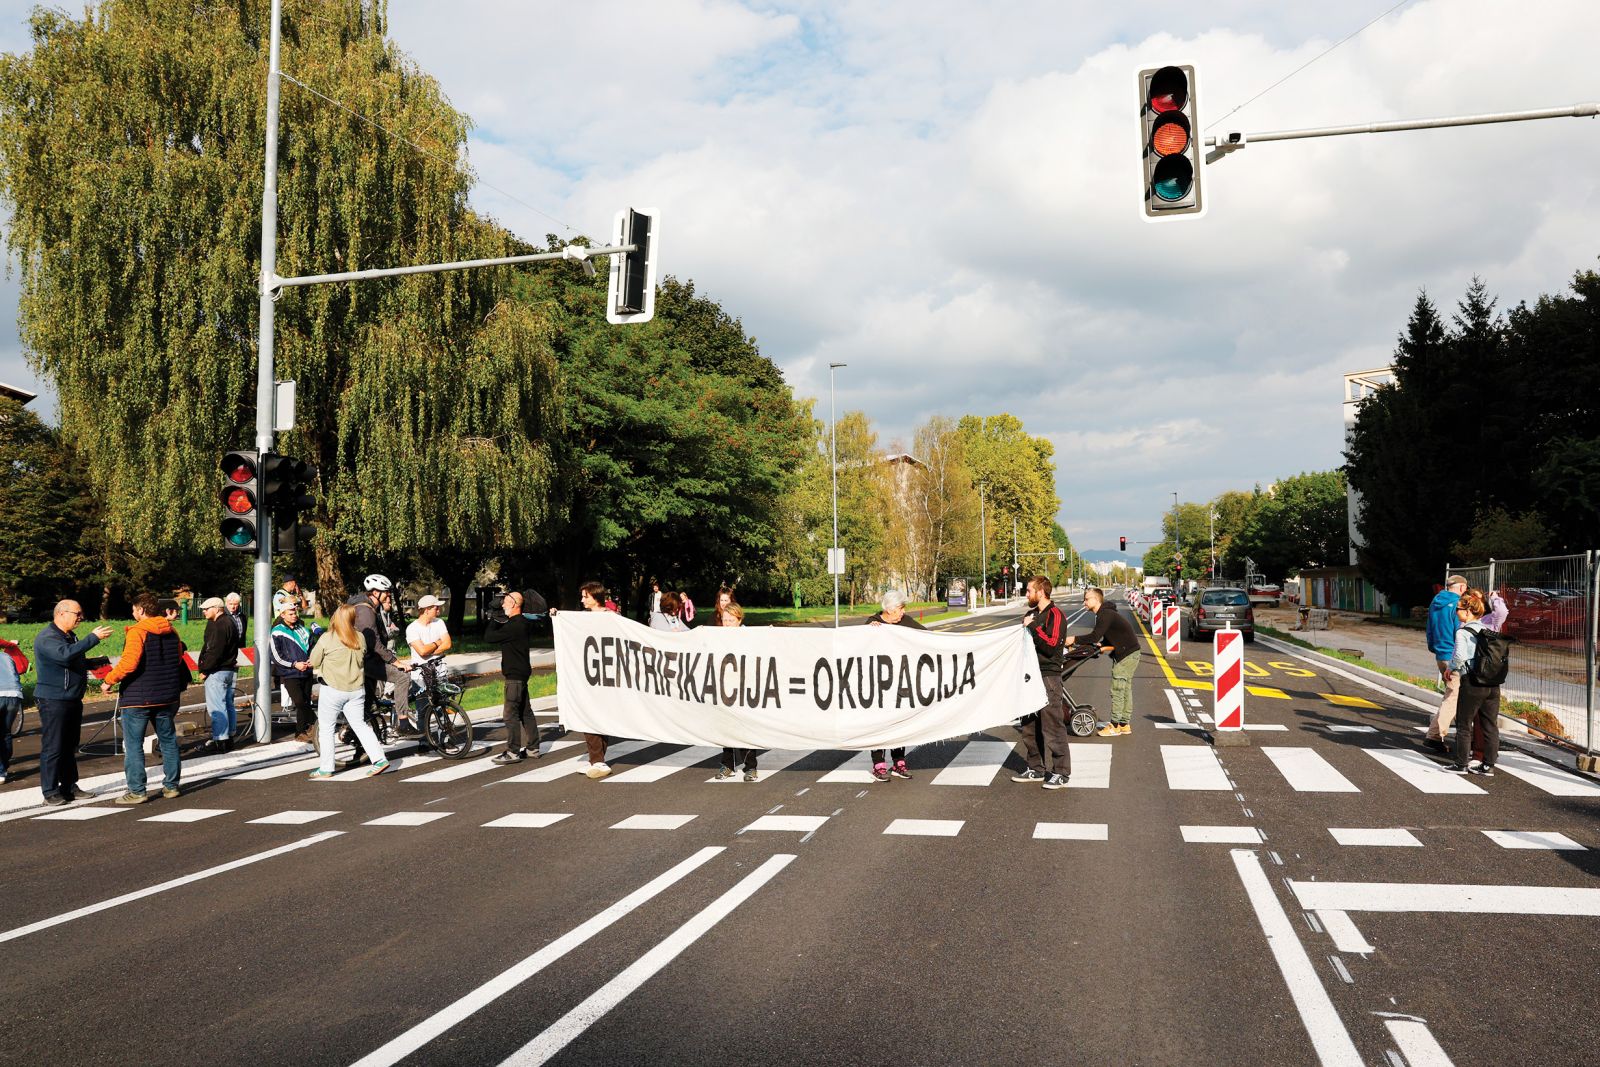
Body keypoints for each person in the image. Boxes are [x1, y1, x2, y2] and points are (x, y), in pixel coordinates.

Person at [102, 593, 190, 804]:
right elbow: (177, 658)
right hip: (166, 695)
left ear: (141, 610)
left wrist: (109, 680)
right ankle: (171, 786)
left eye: (133, 609)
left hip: (138, 697)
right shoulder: (172, 631)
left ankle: (137, 791)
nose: (133, 613)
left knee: (134, 744)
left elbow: (130, 663)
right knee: (168, 741)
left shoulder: (137, 632)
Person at [31, 601, 112, 805]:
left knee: (69, 746)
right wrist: (92, 638)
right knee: (54, 746)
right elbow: (63, 655)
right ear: (61, 613)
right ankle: (49, 792)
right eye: (77, 613)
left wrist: (91, 662)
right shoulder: (47, 637)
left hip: (72, 698)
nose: (80, 617)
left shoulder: (68, 636)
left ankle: (68, 787)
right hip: (54, 699)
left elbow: (71, 659)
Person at [308, 604, 390, 779]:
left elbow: (314, 661)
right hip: (356, 690)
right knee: (360, 725)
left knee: (327, 729)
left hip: (333, 689)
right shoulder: (360, 637)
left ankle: (326, 768)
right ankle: (380, 759)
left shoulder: (327, 638)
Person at [1011, 576, 1072, 788]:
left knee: (1052, 724)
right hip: (1029, 676)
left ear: (1041, 592)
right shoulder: (1031, 614)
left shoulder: (1055, 615)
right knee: (1028, 725)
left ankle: (1061, 772)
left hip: (1048, 676)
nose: (1026, 594)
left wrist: (1034, 626)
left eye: (1029, 591)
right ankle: (1036, 768)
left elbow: (1052, 645)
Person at [343, 574, 407, 767]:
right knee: (402, 677)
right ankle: (403, 721)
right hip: (365, 660)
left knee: (367, 704)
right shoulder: (366, 610)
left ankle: (361, 747)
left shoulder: (366, 607)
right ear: (376, 592)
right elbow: (373, 643)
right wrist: (395, 661)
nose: (388, 596)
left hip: (363, 660)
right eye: (386, 592)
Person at [1065, 587, 1141, 737]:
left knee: (1118, 689)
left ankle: (1114, 726)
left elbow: (1094, 636)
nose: (1084, 602)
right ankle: (1124, 724)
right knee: (1125, 689)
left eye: (1086, 599)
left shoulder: (1104, 614)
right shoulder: (1106, 613)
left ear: (1096, 599)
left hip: (1127, 654)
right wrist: (1103, 644)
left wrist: (1074, 639)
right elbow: (1111, 633)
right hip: (1130, 652)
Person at [486, 588, 548, 765]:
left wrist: (492, 616)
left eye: (505, 601)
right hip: (522, 672)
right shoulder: (521, 623)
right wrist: (498, 614)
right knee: (525, 712)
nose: (502, 603)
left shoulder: (514, 626)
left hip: (514, 675)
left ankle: (513, 751)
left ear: (513, 604)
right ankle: (533, 748)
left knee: (510, 714)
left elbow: (489, 637)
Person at [867, 590, 924, 782]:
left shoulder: (905, 622)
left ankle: (899, 762)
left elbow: (928, 637)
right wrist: (869, 632)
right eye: (900, 609)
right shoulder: (872, 623)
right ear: (889, 610)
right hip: (878, 685)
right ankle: (878, 765)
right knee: (879, 724)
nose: (903, 612)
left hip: (900, 682)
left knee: (899, 722)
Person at [587, 583, 640, 778]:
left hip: (607, 674)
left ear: (595, 597)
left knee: (601, 716)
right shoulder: (581, 619)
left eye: (586, 596)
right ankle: (596, 759)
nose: (582, 600)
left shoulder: (611, 617)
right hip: (588, 674)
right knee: (587, 714)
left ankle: (598, 758)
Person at [1447, 590, 1501, 777]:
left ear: (1468, 611)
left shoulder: (1462, 632)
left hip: (1472, 681)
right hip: (1492, 683)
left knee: (1464, 723)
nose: (1456, 612)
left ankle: (1461, 763)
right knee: (1490, 724)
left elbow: (1460, 657)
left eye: (1458, 609)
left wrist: (1452, 667)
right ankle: (1488, 765)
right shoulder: (1489, 630)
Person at [712, 603, 759, 781]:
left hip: (743, 688)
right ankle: (728, 765)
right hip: (725, 688)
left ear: (739, 620)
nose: (727, 624)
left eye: (731, 620)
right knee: (726, 728)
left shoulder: (748, 637)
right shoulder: (718, 636)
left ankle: (751, 767)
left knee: (744, 728)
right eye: (724, 620)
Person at [1424, 574, 1469, 753]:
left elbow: (1429, 628)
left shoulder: (1436, 602)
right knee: (1453, 696)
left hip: (1440, 654)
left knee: (1454, 694)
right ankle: (1434, 735)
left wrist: (1434, 648)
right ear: (1461, 587)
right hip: (1453, 656)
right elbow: (1459, 632)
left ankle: (1464, 733)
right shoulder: (1458, 605)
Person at [196, 595, 241, 753]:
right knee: (228, 704)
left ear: (216, 609)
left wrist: (205, 669)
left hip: (217, 671)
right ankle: (230, 737)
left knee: (217, 707)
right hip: (229, 669)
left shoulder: (217, 626)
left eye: (206, 609)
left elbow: (214, 651)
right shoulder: (231, 623)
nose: (204, 612)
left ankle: (221, 740)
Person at [271, 602, 319, 744]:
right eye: (290, 614)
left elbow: (313, 646)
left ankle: (302, 731)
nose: (294, 616)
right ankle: (315, 723)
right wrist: (294, 664)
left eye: (295, 613)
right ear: (283, 615)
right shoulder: (276, 631)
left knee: (305, 701)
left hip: (306, 671)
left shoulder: (303, 629)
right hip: (289, 673)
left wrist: (312, 659)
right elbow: (276, 656)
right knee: (299, 702)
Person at [0, 636, 28, 784]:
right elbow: (21, 668)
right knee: (5, 732)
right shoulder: (6, 656)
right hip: (14, 695)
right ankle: (3, 770)